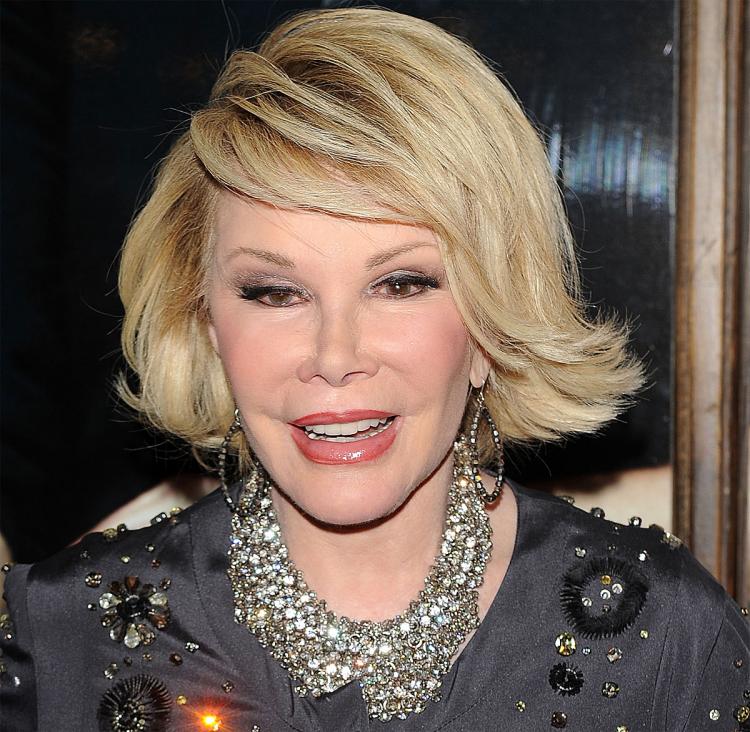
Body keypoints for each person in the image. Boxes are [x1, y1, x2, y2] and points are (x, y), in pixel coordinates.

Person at [1, 7, 747, 731]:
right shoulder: (60, 638)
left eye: (400, 284)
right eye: (276, 292)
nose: (335, 357)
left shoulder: (666, 640)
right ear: (206, 322)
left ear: (491, 325)